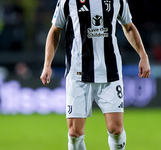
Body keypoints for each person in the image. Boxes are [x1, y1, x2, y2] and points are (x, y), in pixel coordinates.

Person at [40, 0, 150, 149]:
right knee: (74, 133)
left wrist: (143, 56)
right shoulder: (68, 1)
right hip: (78, 74)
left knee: (115, 129)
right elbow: (55, 30)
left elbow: (129, 27)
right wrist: (47, 64)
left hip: (110, 72)